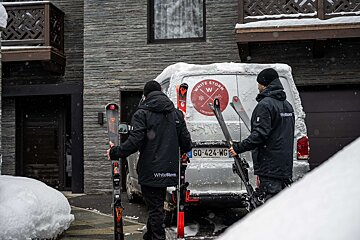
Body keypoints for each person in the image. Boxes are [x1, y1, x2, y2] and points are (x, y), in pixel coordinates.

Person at [107, 80, 192, 240]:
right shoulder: (176, 114)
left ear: (145, 96)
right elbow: (186, 143)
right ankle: (149, 236)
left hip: (150, 169)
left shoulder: (142, 114)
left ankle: (157, 237)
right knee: (156, 206)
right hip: (169, 168)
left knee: (155, 209)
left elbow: (135, 142)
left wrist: (115, 152)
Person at [229, 68, 295, 201]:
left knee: (271, 203)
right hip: (284, 165)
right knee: (282, 201)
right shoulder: (287, 106)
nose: (258, 86)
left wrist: (238, 148)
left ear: (264, 84)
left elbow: (259, 135)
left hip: (269, 165)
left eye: (258, 83)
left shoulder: (265, 106)